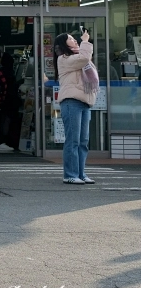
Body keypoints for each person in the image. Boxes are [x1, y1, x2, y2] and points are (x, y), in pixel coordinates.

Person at [53, 29, 97, 184]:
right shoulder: (64, 59)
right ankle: (70, 175)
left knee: (83, 140)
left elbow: (85, 60)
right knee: (73, 140)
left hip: (85, 102)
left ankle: (81, 173)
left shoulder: (78, 58)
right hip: (71, 101)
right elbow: (85, 58)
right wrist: (85, 41)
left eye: (74, 38)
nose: (75, 40)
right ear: (63, 44)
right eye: (71, 39)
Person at [0, 52, 24, 151]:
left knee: (5, 120)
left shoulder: (1, 71)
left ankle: (4, 139)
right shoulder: (10, 72)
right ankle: (7, 140)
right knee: (9, 121)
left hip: (5, 100)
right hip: (11, 100)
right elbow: (12, 86)